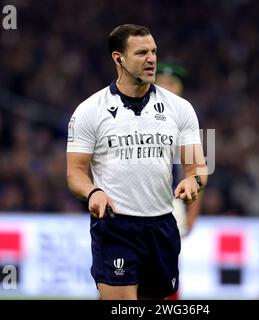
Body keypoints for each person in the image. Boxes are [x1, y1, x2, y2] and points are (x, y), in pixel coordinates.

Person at [66, 24, 208, 300]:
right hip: (116, 224)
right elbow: (75, 173)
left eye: (154, 52)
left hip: (164, 223)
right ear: (118, 58)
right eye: (142, 53)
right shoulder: (88, 111)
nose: (152, 59)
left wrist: (195, 187)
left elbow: (199, 169)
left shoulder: (183, 110)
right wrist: (93, 192)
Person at [155, 62, 203, 238]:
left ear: (181, 88)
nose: (166, 88)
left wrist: (192, 214)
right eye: (161, 83)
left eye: (172, 83)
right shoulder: (135, 113)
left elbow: (200, 171)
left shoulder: (191, 119)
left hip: (171, 202)